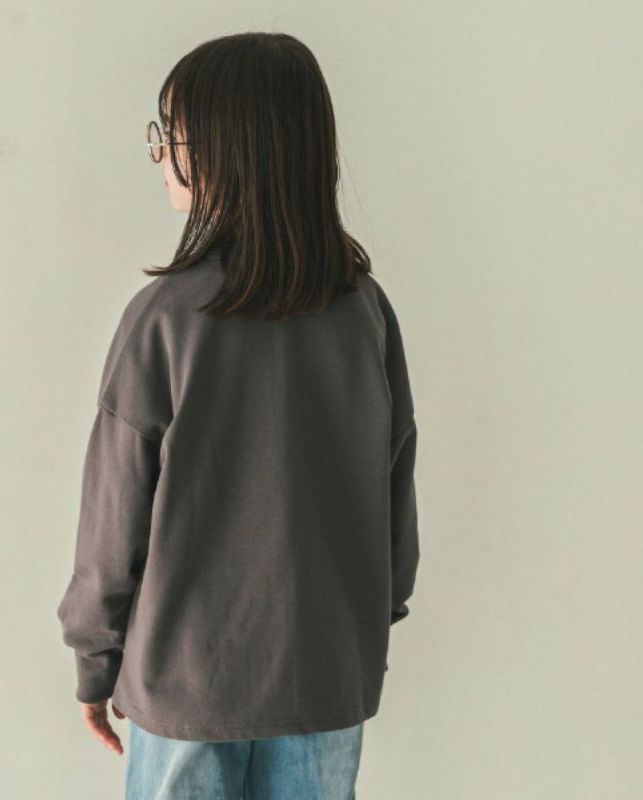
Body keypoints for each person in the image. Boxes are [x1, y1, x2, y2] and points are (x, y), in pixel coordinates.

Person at [56, 30, 420, 799]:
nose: (160, 154)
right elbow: (394, 483)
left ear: (232, 149)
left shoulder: (165, 319)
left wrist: (95, 658)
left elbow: (113, 522)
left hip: (185, 686)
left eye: (172, 135)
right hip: (324, 675)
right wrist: (363, 621)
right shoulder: (363, 312)